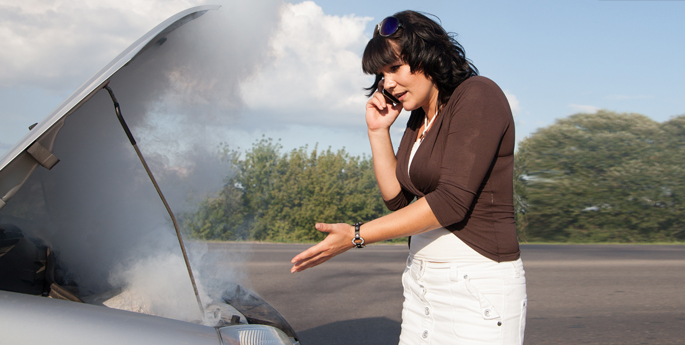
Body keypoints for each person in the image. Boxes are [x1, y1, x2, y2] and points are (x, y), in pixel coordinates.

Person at [290, 10, 526, 345]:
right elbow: (398, 199)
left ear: (428, 55)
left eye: (394, 68)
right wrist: (377, 131)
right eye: (381, 74)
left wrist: (357, 236)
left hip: (476, 288)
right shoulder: (420, 118)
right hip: (421, 286)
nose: (386, 83)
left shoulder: (478, 95)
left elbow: (450, 202)